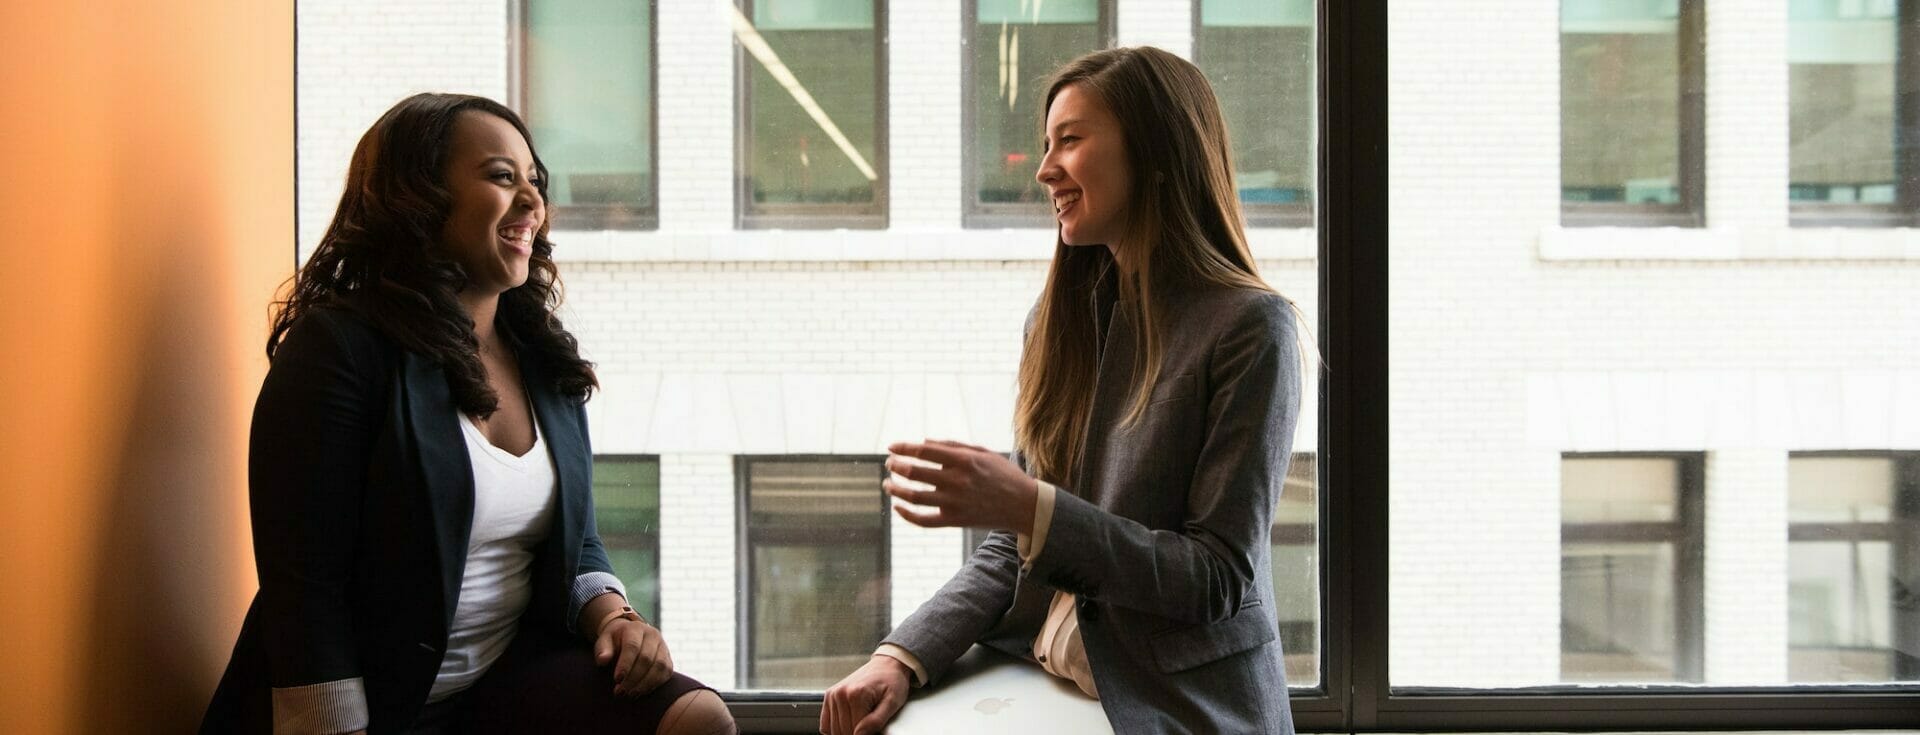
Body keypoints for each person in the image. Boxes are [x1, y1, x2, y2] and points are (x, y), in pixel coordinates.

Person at [200, 93, 733, 735]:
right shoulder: (339, 349)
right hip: (364, 702)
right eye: (503, 177)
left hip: (496, 686)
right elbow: (305, 589)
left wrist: (616, 617)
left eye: (536, 181)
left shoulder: (541, 357)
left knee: (696, 719)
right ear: (417, 198)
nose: (533, 202)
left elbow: (576, 538)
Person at [821, 46, 1305, 734]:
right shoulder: (1059, 323)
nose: (1045, 169)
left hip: (1177, 704)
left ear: (1155, 147)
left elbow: (1216, 577)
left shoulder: (1252, 328)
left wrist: (1031, 506)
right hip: (1048, 685)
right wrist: (900, 654)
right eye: (1047, 145)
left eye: (1070, 140)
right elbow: (1012, 546)